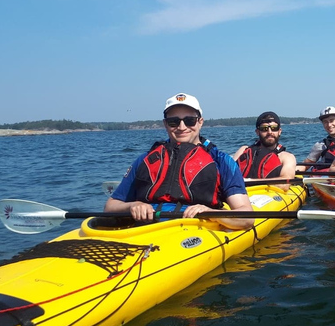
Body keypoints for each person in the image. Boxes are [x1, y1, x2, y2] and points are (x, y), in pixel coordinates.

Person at [104, 93, 254, 229]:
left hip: (195, 230)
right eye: (174, 122)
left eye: (190, 121)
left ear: (200, 122)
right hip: (144, 230)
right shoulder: (145, 160)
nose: (182, 127)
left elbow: (247, 217)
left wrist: (211, 212)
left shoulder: (221, 161)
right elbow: (110, 206)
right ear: (165, 124)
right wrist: (133, 205)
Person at [233, 111, 297, 189]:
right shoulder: (243, 150)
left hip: (266, 195)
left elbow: (285, 183)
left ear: (279, 131)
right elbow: (228, 173)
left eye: (274, 128)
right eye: (264, 129)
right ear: (257, 132)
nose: (270, 132)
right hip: (238, 193)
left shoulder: (286, 157)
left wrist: (250, 181)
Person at [298, 106, 335, 172]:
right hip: (327, 179)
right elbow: (305, 165)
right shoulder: (320, 145)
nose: (329, 125)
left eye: (331, 120)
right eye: (325, 122)